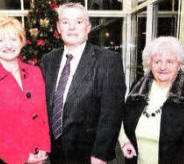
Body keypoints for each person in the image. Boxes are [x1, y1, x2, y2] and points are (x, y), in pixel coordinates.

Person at [40, 2, 126, 164]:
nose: (71, 27)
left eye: (78, 22)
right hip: (54, 154)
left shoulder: (107, 61)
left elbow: (112, 112)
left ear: (88, 26)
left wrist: (101, 154)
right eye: (65, 22)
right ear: (58, 27)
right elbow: (42, 106)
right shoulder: (48, 60)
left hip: (89, 155)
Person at [0, 15, 51, 164]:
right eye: (0, 40)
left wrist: (43, 147)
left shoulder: (35, 72)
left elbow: (42, 114)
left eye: (13, 39)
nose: (8, 45)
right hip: (0, 158)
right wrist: (22, 157)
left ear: (21, 41)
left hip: (37, 156)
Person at [119, 36, 184, 164]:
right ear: (149, 64)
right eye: (157, 61)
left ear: (179, 64)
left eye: (170, 62)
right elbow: (121, 117)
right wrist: (124, 140)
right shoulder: (137, 89)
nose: (163, 67)